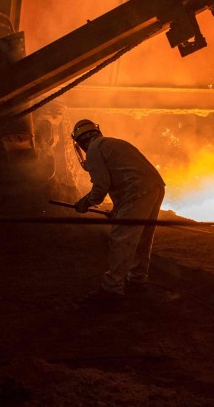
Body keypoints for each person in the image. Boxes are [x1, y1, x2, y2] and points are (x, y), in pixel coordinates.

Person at [71, 119, 166, 301]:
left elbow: (101, 187)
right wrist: (118, 208)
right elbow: (124, 175)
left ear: (80, 142)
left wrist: (85, 203)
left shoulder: (94, 150)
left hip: (137, 190)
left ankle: (112, 288)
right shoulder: (114, 143)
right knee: (142, 236)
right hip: (155, 186)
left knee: (121, 238)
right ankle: (138, 279)